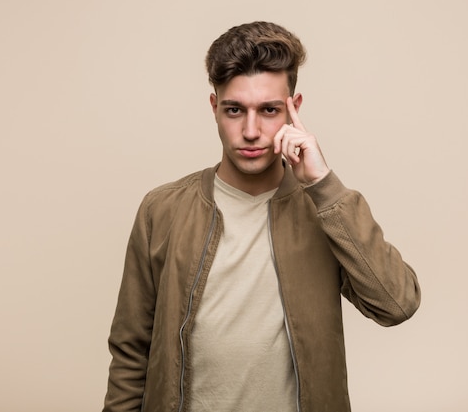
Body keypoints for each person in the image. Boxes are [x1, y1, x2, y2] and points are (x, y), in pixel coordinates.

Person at [103, 21, 421, 412]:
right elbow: (131, 351)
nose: (250, 131)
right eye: (234, 110)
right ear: (214, 107)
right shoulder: (162, 209)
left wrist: (323, 185)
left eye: (269, 110)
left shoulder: (326, 210)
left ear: (294, 109)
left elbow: (397, 303)